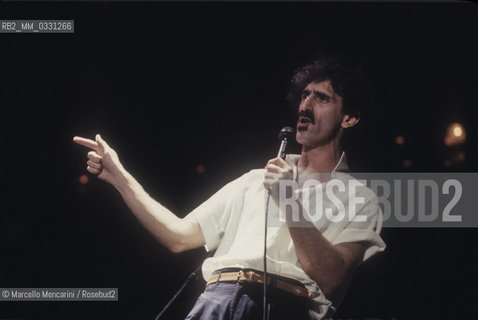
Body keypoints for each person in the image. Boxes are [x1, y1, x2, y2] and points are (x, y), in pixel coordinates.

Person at [74, 55, 386, 319]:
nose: (305, 105)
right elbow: (177, 236)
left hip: (286, 307)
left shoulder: (360, 198)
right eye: (304, 95)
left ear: (349, 118)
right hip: (217, 300)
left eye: (321, 98)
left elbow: (330, 278)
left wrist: (288, 199)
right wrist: (118, 177)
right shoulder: (254, 179)